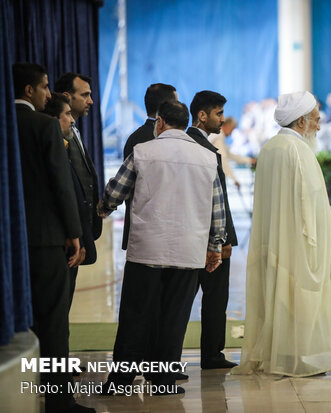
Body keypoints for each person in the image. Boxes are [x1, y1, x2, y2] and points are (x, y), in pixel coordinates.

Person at [232, 91, 331, 377]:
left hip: (276, 240)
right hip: (299, 239)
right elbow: (311, 199)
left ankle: (281, 354)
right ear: (301, 122)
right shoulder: (298, 150)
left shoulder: (271, 146)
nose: (319, 126)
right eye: (316, 121)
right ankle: (300, 358)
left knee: (280, 297)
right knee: (301, 298)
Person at [98, 101, 226, 394]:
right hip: (188, 251)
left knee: (135, 315)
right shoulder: (208, 158)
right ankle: (163, 381)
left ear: (159, 122)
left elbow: (115, 191)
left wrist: (103, 209)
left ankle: (121, 382)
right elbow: (217, 209)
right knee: (174, 317)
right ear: (185, 123)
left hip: (147, 250)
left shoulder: (143, 152)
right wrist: (215, 245)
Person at [13, 62, 92, 413]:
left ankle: (18, 390)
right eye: (45, 87)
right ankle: (59, 400)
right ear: (29, 90)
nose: (49, 94)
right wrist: (74, 233)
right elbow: (60, 184)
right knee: (53, 321)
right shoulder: (43, 125)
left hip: (10, 240)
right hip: (45, 238)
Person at [186, 91, 238, 369]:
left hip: (189, 235)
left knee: (180, 302)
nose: (221, 119)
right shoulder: (204, 150)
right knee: (215, 298)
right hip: (209, 238)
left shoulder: (192, 144)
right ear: (202, 116)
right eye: (218, 113)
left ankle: (167, 358)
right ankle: (211, 354)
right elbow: (218, 200)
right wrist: (224, 238)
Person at [54, 73, 102, 306]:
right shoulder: (54, 134)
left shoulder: (74, 130)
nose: (90, 101)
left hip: (79, 232)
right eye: (85, 95)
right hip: (66, 236)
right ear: (66, 96)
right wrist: (74, 233)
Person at [120, 83, 177, 251]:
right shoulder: (173, 139)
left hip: (139, 228)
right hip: (165, 229)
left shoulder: (134, 138)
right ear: (168, 107)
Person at [43, 93, 95, 274]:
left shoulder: (65, 143)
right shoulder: (50, 152)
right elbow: (63, 193)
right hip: (62, 242)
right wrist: (74, 235)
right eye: (67, 114)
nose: (72, 121)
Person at [208, 116, 256, 189]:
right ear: (227, 125)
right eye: (232, 129)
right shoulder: (218, 136)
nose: (231, 134)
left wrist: (250, 160)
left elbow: (231, 155)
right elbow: (223, 160)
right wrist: (234, 180)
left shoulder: (217, 135)